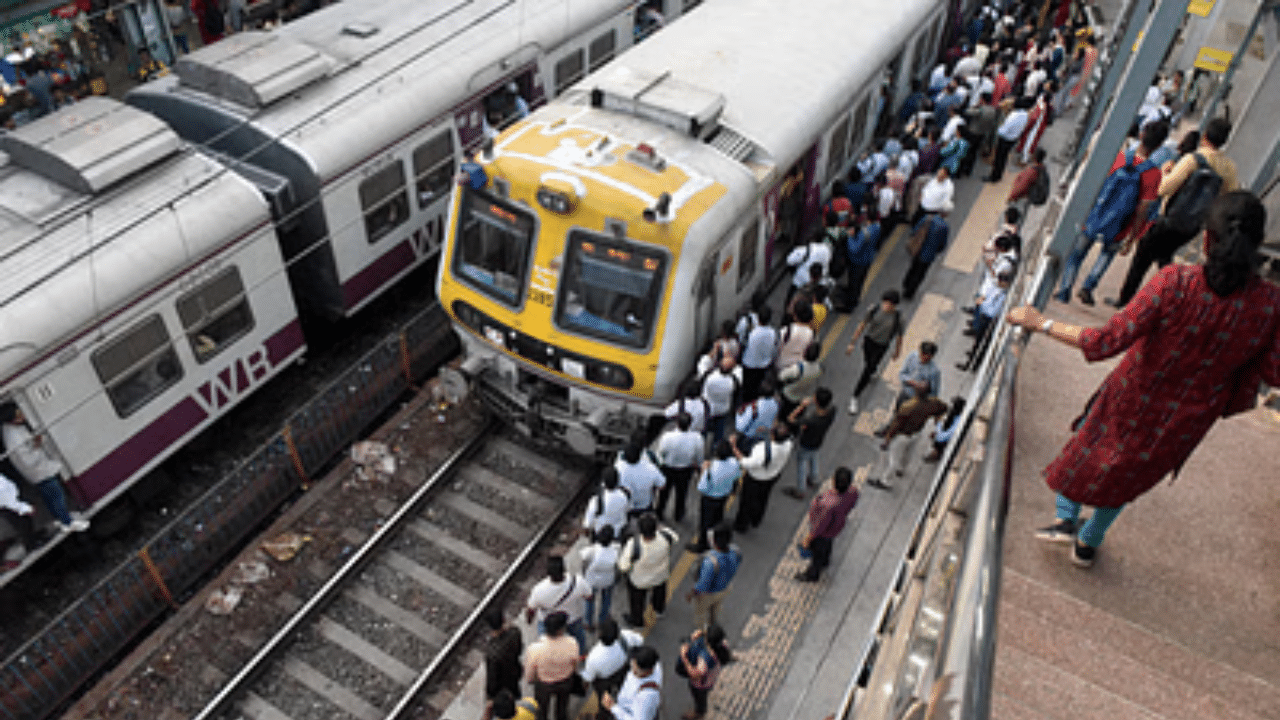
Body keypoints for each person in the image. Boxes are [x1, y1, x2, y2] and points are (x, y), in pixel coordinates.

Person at [1007, 191, 1280, 568]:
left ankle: (1065, 519)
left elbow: (1105, 342)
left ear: (1205, 238)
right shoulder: (1270, 304)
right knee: (1130, 473)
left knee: (1087, 444)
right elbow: (1273, 372)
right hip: (1185, 422)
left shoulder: (1175, 283)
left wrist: (1041, 323)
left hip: (1130, 397)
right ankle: (1088, 542)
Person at [1109, 118, 1240, 308]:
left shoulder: (1192, 159)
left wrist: (1165, 171)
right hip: (1192, 226)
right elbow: (1230, 198)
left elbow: (1163, 189)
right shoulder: (1229, 168)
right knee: (1164, 258)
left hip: (1170, 220)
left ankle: (1127, 301)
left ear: (1204, 137)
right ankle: (1170, 300)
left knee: (1143, 257)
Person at [1055, 120, 1168, 305]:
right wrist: (1133, 236)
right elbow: (1143, 209)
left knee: (1076, 255)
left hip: (1094, 216)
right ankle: (1088, 287)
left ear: (1141, 135)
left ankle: (1065, 290)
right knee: (1107, 255)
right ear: (1159, 146)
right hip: (1120, 226)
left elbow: (1096, 186)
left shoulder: (1118, 157)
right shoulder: (1154, 174)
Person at [1, 403, 88, 533]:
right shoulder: (13, 434)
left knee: (50, 497)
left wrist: (35, 444)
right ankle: (67, 522)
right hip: (38, 469)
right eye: (19, 413)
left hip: (36, 470)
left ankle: (60, 518)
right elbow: (24, 457)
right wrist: (37, 445)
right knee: (57, 495)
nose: (22, 414)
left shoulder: (11, 430)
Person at [867, 396, 949, 490]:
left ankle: (886, 481)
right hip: (917, 434)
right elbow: (943, 407)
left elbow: (893, 429)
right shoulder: (925, 406)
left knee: (894, 459)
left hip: (902, 436)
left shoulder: (904, 412)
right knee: (908, 453)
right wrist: (937, 419)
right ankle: (901, 469)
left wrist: (886, 442)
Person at [844, 290, 905, 414]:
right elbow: (862, 325)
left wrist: (897, 351)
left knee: (867, 369)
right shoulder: (874, 309)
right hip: (869, 341)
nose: (885, 305)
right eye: (885, 302)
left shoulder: (898, 318)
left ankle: (855, 396)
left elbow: (899, 337)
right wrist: (852, 343)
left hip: (882, 346)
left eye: (889, 304)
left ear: (894, 305)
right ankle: (872, 370)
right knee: (868, 362)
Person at [796, 467, 861, 581]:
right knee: (828, 545)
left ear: (833, 481)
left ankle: (812, 575)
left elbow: (819, 526)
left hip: (824, 532)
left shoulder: (828, 504)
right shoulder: (853, 492)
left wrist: (808, 539)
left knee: (818, 553)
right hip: (836, 527)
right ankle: (825, 561)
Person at [617, 513, 677, 627]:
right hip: (660, 575)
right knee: (660, 592)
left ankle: (637, 620)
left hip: (639, 581)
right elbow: (675, 537)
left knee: (637, 602)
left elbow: (623, 566)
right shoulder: (666, 537)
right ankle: (659, 610)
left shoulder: (634, 544)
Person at [525, 555, 592, 655]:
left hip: (548, 622)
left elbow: (530, 610)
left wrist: (529, 620)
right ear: (564, 569)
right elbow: (589, 597)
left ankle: (550, 656)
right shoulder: (577, 581)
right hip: (572, 619)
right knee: (579, 637)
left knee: (545, 643)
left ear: (548, 573)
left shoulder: (538, 590)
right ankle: (582, 654)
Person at [731, 424, 793, 532]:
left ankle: (741, 525)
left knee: (747, 502)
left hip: (756, 478)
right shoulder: (788, 444)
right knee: (763, 498)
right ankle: (756, 519)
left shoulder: (762, 450)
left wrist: (734, 447)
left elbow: (746, 463)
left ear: (773, 436)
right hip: (773, 475)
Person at [524, 611, 580, 720]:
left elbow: (530, 673)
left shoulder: (535, 649)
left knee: (541, 709)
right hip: (565, 681)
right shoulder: (572, 643)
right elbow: (575, 664)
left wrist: (531, 680)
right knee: (562, 707)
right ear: (560, 630)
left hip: (544, 684)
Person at [685, 523, 741, 629]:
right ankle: (713, 624)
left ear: (714, 541)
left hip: (709, 594)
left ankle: (702, 632)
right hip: (725, 587)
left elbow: (702, 586)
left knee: (700, 614)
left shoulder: (710, 562)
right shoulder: (736, 551)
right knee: (716, 607)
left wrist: (691, 594)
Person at [688, 441, 740, 553]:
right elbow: (737, 476)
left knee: (705, 523)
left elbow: (702, 488)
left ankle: (703, 545)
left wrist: (703, 471)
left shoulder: (711, 468)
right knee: (717, 518)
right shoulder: (734, 463)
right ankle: (717, 538)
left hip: (710, 498)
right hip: (723, 496)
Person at [785, 387, 835, 498]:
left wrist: (802, 406)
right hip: (818, 441)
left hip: (806, 443)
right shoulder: (832, 411)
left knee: (802, 464)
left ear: (816, 401)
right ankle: (814, 478)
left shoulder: (810, 420)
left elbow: (791, 419)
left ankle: (800, 490)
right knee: (814, 457)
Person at [655, 413, 704, 523]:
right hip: (685, 470)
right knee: (681, 494)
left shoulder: (667, 437)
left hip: (668, 469)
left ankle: (659, 513)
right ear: (690, 424)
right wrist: (699, 466)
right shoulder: (697, 438)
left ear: (677, 423)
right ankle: (678, 515)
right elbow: (699, 456)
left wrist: (660, 465)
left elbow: (660, 453)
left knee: (664, 493)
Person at [582, 618, 644, 702]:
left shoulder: (592, 657)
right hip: (622, 671)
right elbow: (640, 641)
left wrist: (583, 689)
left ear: (599, 635)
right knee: (622, 686)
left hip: (604, 681)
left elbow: (589, 678)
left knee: (604, 698)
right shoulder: (625, 637)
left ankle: (606, 710)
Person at [677, 626, 731, 720]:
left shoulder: (705, 659)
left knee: (700, 699)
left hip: (701, 685)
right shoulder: (723, 645)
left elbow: (695, 674)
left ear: (707, 641)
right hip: (711, 678)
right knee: (703, 695)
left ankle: (699, 713)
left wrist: (684, 657)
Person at [600, 645, 662, 720]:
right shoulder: (655, 665)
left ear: (647, 671)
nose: (632, 671)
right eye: (631, 666)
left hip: (627, 713)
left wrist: (613, 707)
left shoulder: (646, 697)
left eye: (635, 671)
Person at [1, 471, 48, 567]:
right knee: (21, 523)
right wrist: (25, 508)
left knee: (25, 521)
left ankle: (33, 537)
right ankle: (31, 544)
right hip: (8, 504)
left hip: (11, 499)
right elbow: (6, 499)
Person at [886, 341, 941, 421]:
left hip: (917, 401)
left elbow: (934, 393)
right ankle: (888, 429)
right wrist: (914, 383)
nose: (923, 359)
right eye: (922, 355)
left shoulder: (934, 371)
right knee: (897, 413)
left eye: (927, 358)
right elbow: (902, 374)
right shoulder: (912, 357)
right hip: (905, 393)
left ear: (932, 356)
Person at [579, 525, 620, 630]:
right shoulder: (617, 549)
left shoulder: (591, 551)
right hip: (608, 580)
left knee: (589, 601)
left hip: (592, 581)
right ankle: (603, 619)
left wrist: (584, 575)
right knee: (606, 600)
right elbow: (617, 566)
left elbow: (584, 563)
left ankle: (588, 622)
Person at [902, 211, 949, 301]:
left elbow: (915, 230)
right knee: (920, 273)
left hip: (917, 249)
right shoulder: (945, 227)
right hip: (929, 255)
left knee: (913, 267)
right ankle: (909, 292)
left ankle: (906, 283)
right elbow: (943, 244)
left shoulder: (927, 218)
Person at [483, 607, 524, 705]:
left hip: (501, 685)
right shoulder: (515, 632)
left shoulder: (491, 652)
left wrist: (490, 696)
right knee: (515, 692)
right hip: (515, 671)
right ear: (503, 620)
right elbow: (519, 650)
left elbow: (492, 678)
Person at [986, 96, 1032, 182]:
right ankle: (998, 175)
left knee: (999, 158)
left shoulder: (1013, 115)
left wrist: (999, 129)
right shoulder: (1025, 114)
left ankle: (994, 177)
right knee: (1003, 158)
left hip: (1005, 139)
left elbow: (1003, 131)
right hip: (1013, 139)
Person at [777, 342, 823, 427]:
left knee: (783, 415)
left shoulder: (798, 369)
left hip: (789, 395)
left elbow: (781, 376)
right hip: (802, 398)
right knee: (795, 417)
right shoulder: (819, 369)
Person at [738, 305, 776, 402]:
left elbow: (741, 340)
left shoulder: (752, 332)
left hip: (749, 364)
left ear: (758, 317)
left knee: (747, 387)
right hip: (763, 365)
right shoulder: (773, 333)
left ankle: (746, 402)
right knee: (757, 384)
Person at [701, 354, 742, 444]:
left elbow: (702, 363)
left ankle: (702, 442)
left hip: (708, 409)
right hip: (722, 410)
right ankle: (716, 447)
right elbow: (739, 371)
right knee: (719, 432)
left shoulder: (709, 376)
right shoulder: (733, 382)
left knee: (704, 428)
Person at [617, 443, 665, 518]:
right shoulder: (650, 468)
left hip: (626, 506)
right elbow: (662, 485)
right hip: (644, 506)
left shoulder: (618, 467)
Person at [733, 378, 779, 452]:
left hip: (749, 438)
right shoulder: (776, 404)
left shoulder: (754, 408)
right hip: (763, 436)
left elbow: (739, 427)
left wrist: (738, 415)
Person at [583, 467, 630, 539]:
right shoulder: (625, 495)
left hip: (601, 535)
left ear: (603, 482)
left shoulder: (597, 500)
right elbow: (627, 510)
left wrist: (587, 533)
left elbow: (588, 523)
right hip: (618, 532)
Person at [924, 397, 967, 462]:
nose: (932, 452)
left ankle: (958, 404)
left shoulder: (936, 444)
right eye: (932, 454)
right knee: (951, 417)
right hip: (952, 428)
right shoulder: (940, 445)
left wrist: (936, 432)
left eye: (931, 453)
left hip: (947, 428)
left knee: (949, 417)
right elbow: (948, 435)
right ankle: (958, 404)